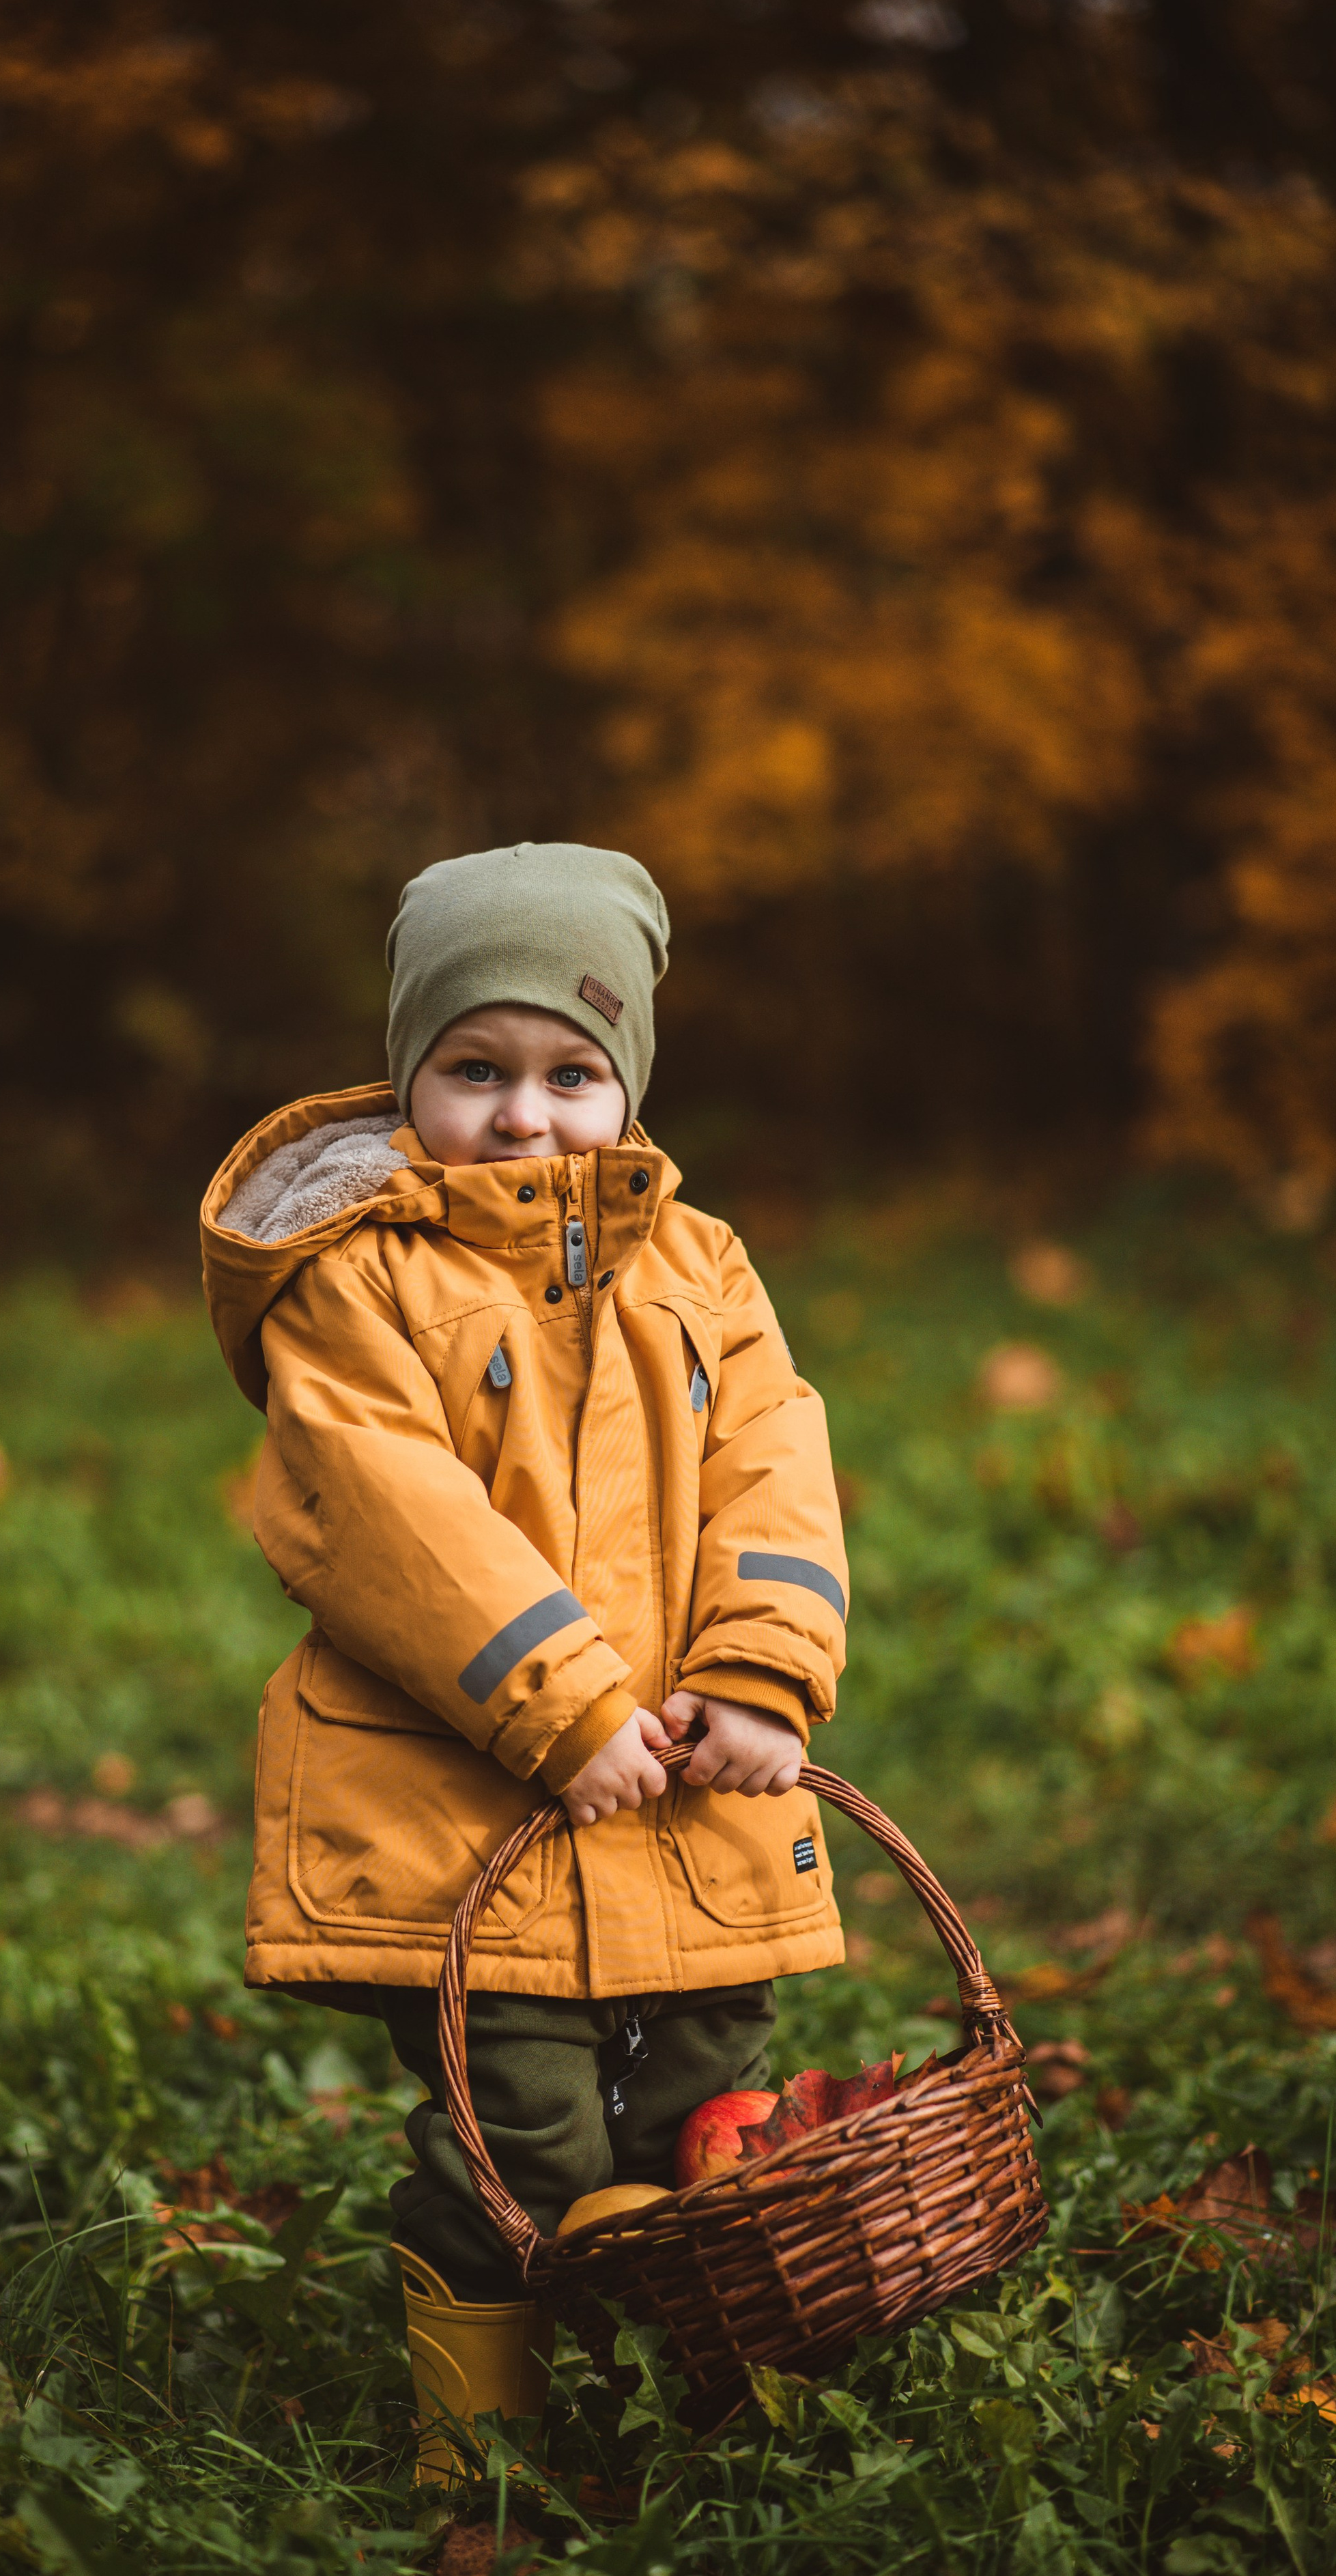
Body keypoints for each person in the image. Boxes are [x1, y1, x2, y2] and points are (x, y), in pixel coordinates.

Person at [199, 841, 849, 2478]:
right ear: (406, 1071)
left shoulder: (699, 1267)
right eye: (472, 1069)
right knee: (524, 2134)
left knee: (707, 2108)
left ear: (624, 1082)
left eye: (571, 1072)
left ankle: (691, 2395)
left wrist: (761, 1673)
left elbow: (775, 1460)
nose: (523, 1113)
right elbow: (381, 1514)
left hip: (690, 1794)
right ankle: (478, 2444)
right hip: (460, 1811)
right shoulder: (356, 1279)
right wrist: (558, 1706)